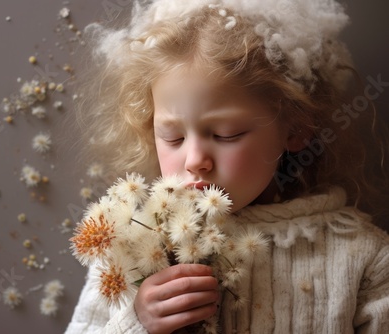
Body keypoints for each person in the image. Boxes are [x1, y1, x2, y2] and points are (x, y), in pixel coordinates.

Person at [66, 0, 389, 333]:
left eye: (225, 134)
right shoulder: (129, 248)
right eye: (173, 137)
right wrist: (138, 322)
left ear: (295, 129)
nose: (194, 160)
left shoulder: (363, 260)